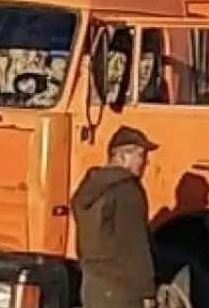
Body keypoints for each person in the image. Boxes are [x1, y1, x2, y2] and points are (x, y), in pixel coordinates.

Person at [70, 126, 160, 308]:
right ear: (121, 156)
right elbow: (136, 244)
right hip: (123, 290)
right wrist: (147, 291)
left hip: (93, 285)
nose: (144, 163)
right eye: (140, 155)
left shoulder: (89, 187)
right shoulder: (127, 190)